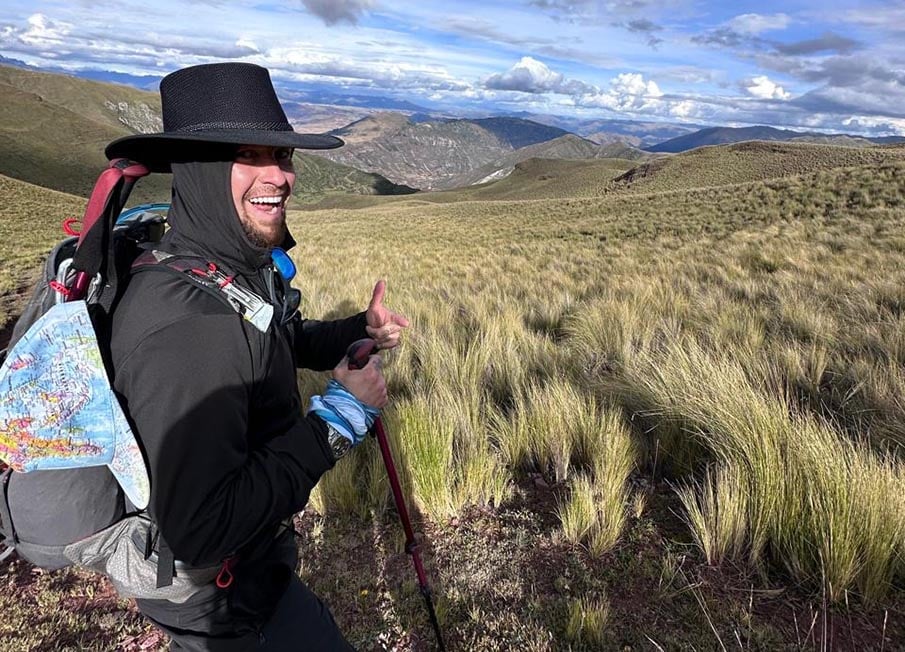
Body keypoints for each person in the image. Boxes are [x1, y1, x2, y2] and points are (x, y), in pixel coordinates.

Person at [103, 62, 409, 650]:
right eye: (250, 154)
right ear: (200, 169)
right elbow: (201, 527)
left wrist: (352, 330)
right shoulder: (190, 327)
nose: (280, 175)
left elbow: (270, 341)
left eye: (283, 155)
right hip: (222, 604)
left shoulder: (210, 270)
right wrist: (340, 417)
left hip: (244, 578)